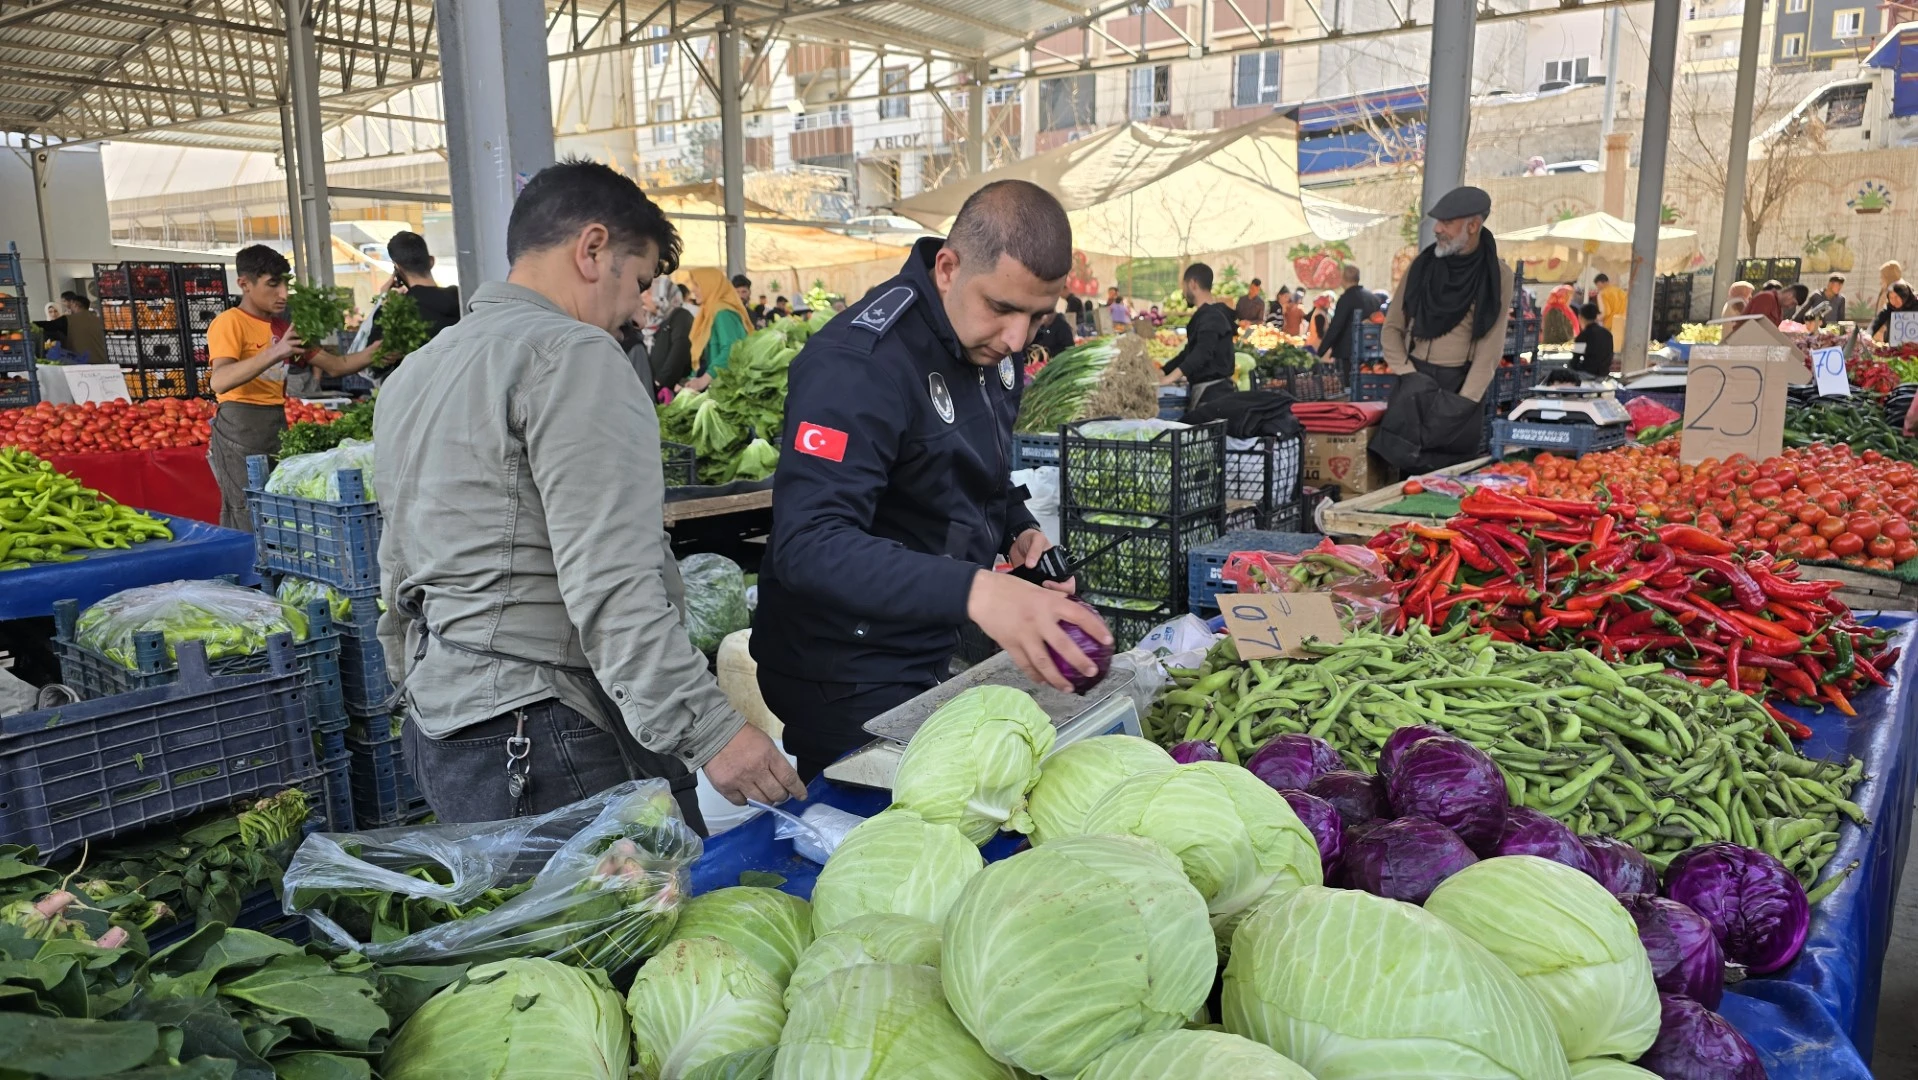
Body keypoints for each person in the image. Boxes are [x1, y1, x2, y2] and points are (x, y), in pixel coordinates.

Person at [372, 159, 804, 826]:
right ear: (592, 248)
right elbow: (611, 578)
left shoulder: (415, 372)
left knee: (535, 931)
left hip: (446, 726)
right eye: (638, 281)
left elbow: (396, 568)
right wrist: (710, 730)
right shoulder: (572, 355)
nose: (638, 307)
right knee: (633, 928)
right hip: (546, 730)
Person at [752, 180, 1108, 780]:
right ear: (947, 267)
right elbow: (808, 544)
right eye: (1001, 308)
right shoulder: (859, 365)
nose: (1018, 338)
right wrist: (980, 591)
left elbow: (972, 472)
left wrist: (1015, 531)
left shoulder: (990, 349)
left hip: (927, 643)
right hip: (845, 670)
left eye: (1036, 316)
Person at [205, 245, 379, 530]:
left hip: (276, 422)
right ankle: (252, 574)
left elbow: (336, 365)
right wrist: (277, 351)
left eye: (286, 284)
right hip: (239, 425)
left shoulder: (281, 327)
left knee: (278, 501)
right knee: (246, 508)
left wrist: (377, 351)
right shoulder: (229, 323)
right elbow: (219, 380)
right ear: (244, 284)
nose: (283, 294)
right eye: (273, 285)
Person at [1381, 185, 1513, 403]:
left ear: (1473, 226)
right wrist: (1407, 373)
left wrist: (1464, 400)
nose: (1437, 229)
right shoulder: (1422, 265)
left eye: (1447, 222)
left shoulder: (1497, 275)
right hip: (1412, 376)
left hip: (1458, 384)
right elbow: (1392, 326)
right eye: (1438, 221)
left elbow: (1491, 346)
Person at [1158, 263, 1238, 416]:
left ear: (1192, 284)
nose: (1183, 292)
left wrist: (1169, 378)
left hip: (1213, 397)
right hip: (1210, 393)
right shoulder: (1209, 315)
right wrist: (1163, 370)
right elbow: (1190, 352)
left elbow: (1202, 353)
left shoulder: (1212, 316)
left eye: (1184, 286)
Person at [683, 267, 753, 391]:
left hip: (727, 386)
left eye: (697, 285)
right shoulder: (708, 310)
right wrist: (693, 378)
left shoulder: (722, 312)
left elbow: (731, 349)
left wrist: (703, 380)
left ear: (711, 285)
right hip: (718, 384)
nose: (693, 289)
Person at [1318, 264, 1382, 375]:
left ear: (1343, 279)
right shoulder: (1373, 298)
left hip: (1347, 353)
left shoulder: (1345, 299)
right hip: (1370, 351)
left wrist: (1320, 352)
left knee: (1349, 386)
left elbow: (1336, 327)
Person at [643, 276, 694, 392]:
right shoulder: (649, 320)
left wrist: (660, 381)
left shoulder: (680, 316)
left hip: (668, 389)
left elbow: (679, 350)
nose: (643, 296)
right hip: (650, 387)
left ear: (662, 296)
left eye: (650, 293)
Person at [1571, 301, 1614, 379]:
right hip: (1604, 375)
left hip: (1587, 374)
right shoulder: (1607, 334)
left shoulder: (1582, 336)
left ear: (1580, 317)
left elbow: (1575, 359)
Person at [1593, 273, 1628, 346]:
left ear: (1603, 282)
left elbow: (1605, 312)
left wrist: (1594, 319)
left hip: (1609, 326)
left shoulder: (1602, 293)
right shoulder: (1621, 292)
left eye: (1598, 285)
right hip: (1623, 324)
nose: (1598, 288)